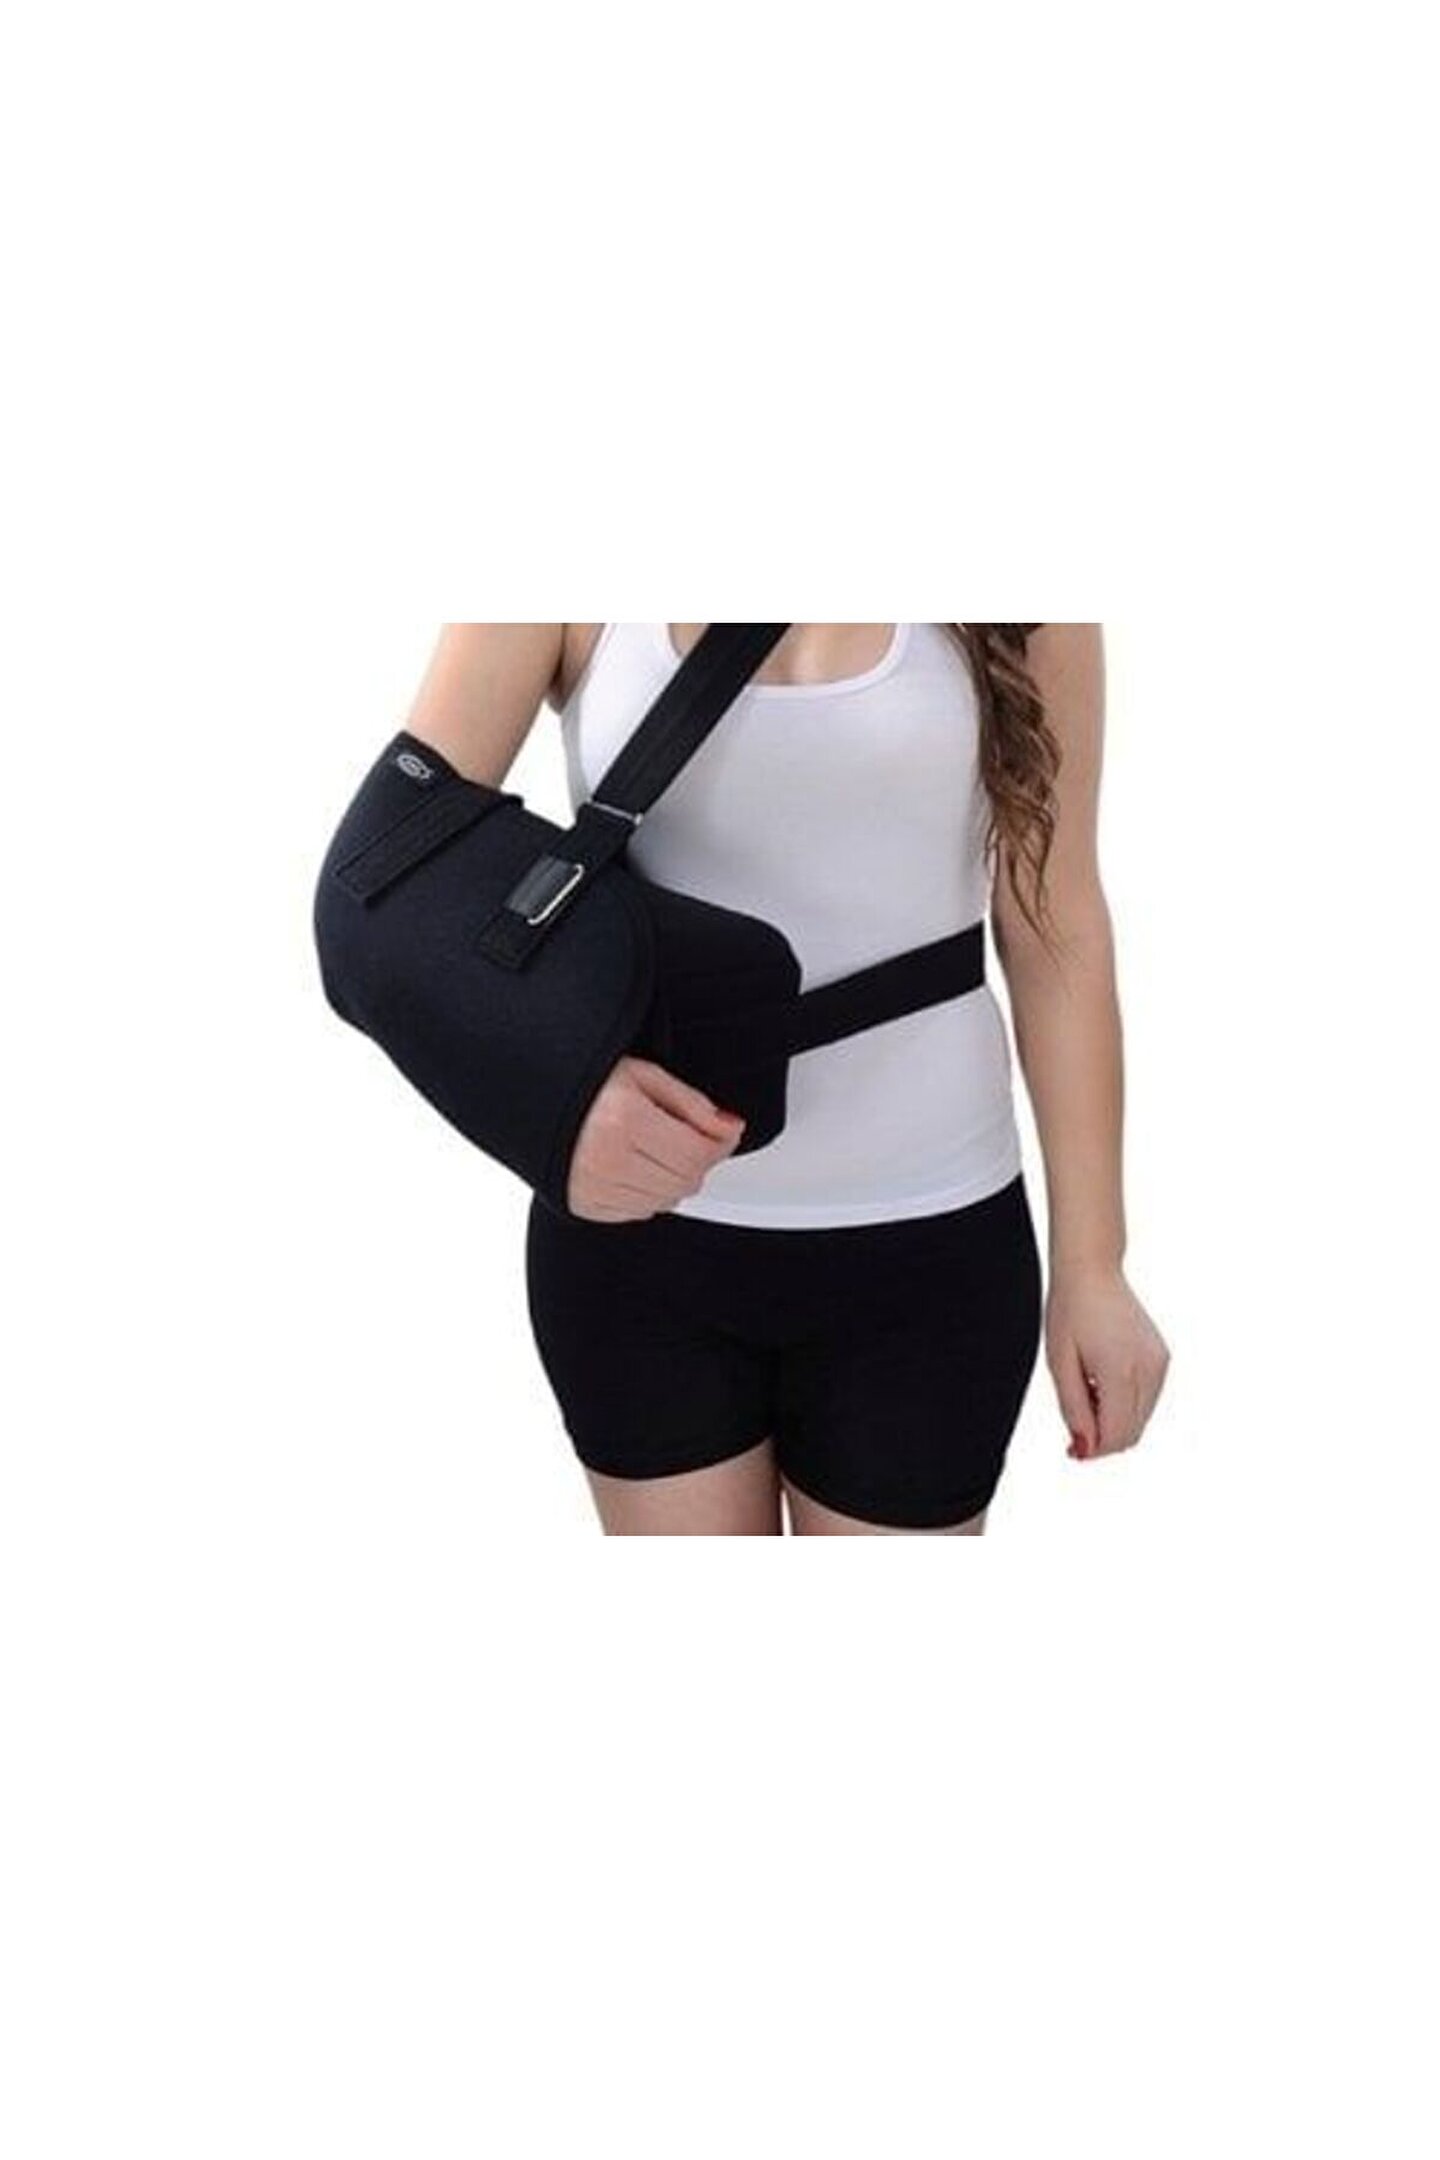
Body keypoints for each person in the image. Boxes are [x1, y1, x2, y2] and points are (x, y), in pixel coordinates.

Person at [404, 623, 1170, 1536]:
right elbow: (396, 877)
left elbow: (1055, 922)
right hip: (641, 1247)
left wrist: (1095, 1264)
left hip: (928, 1243)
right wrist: (553, 1108)